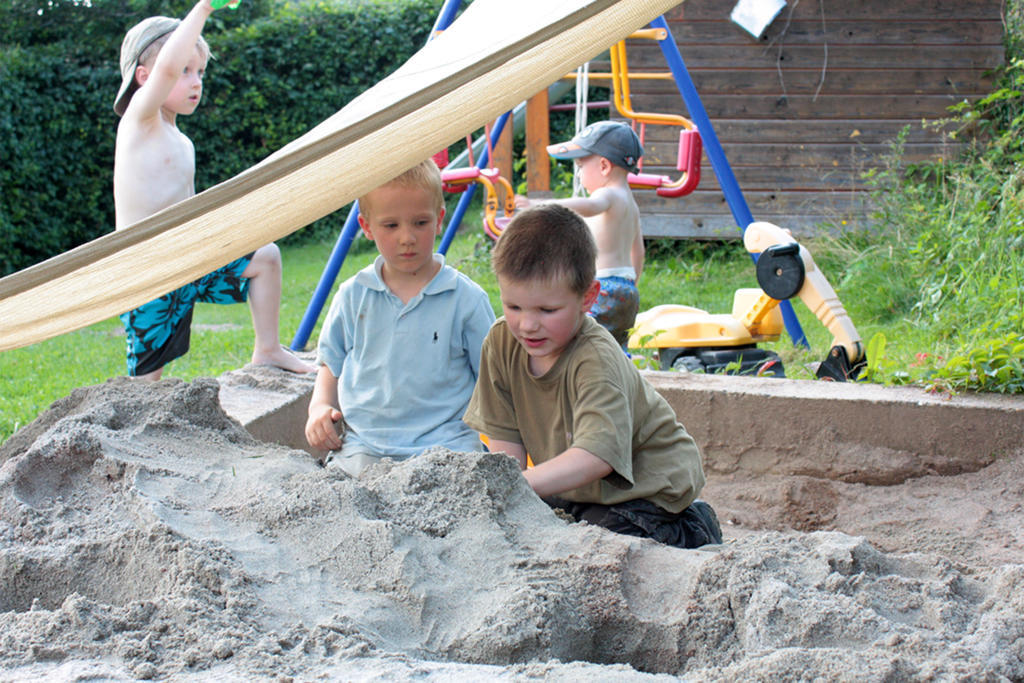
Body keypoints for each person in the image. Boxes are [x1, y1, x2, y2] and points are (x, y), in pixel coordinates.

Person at [463, 204, 721, 549]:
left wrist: (519, 486)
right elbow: (505, 444)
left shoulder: (595, 359)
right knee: (524, 519)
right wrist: (509, 490)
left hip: (646, 491)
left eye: (547, 310)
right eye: (514, 306)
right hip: (574, 489)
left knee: (598, 538)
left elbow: (594, 457)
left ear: (588, 297)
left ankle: (693, 526)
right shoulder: (500, 342)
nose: (527, 324)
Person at [113, 1, 313, 380]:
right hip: (147, 270)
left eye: (200, 71)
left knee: (265, 258)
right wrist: (204, 8)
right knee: (145, 383)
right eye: (185, 70)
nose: (195, 81)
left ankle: (267, 349)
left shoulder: (180, 140)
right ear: (144, 77)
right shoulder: (140, 121)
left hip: (189, 259)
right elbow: (167, 65)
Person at [305, 159, 496, 477]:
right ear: (366, 227)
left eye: (420, 223)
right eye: (391, 225)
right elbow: (330, 362)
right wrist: (319, 407)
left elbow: (493, 377)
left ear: (439, 220)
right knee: (344, 486)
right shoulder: (354, 295)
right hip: (367, 444)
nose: (407, 237)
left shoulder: (466, 298)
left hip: (446, 443)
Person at [515, 120, 645, 347]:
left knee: (578, 344)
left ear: (604, 166)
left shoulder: (608, 195)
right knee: (614, 347)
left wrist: (538, 205)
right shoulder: (631, 204)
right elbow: (639, 251)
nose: (579, 173)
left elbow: (590, 206)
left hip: (602, 288)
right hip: (627, 290)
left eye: (580, 166)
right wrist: (631, 284)